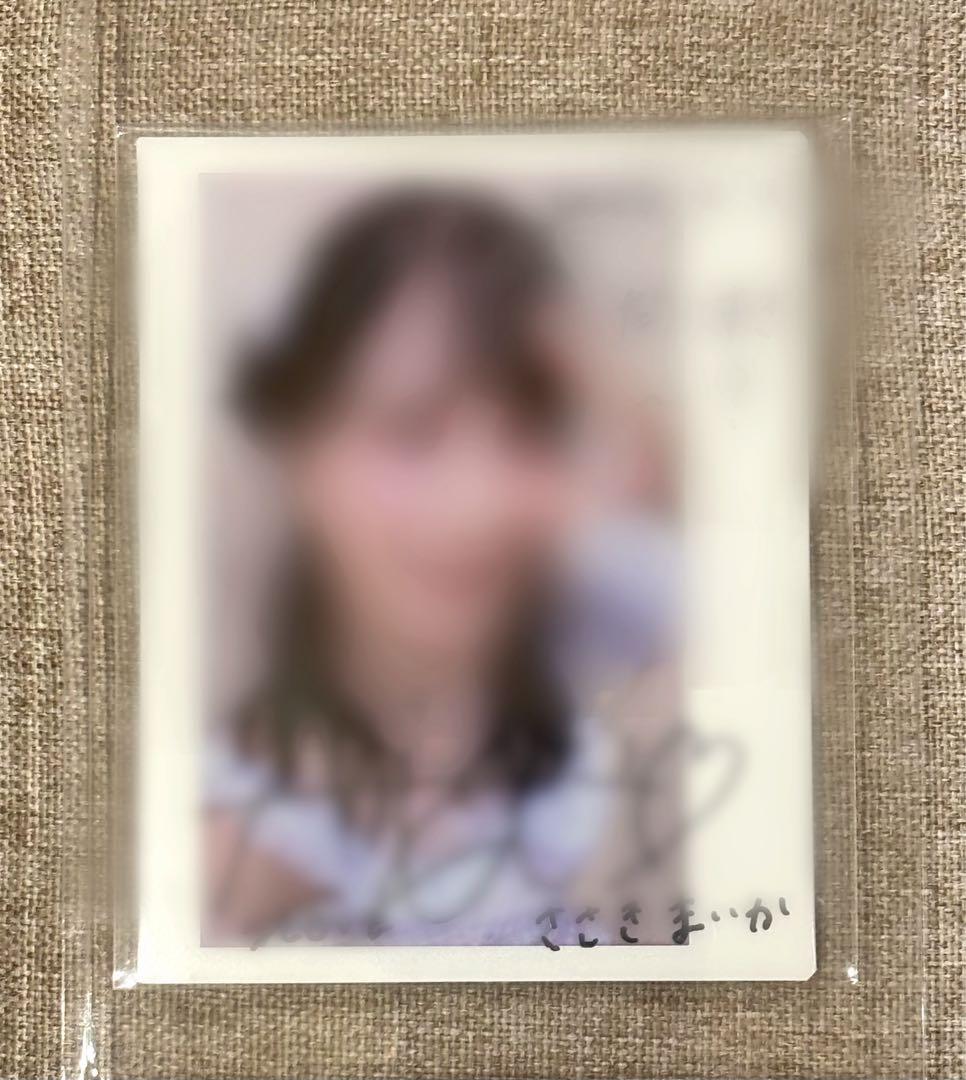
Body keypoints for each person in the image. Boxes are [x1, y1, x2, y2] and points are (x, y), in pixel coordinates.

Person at [204, 188, 679, 946]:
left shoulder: (594, 626)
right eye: (412, 430)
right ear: (300, 450)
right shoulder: (242, 840)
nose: (477, 503)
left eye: (526, 430)